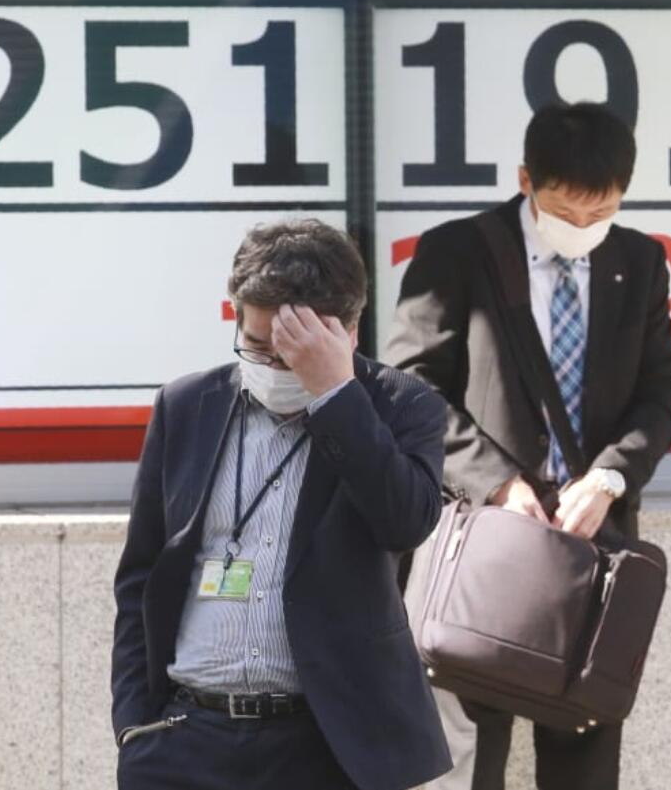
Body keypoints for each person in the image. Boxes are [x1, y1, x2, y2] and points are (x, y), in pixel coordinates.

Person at [386, 102, 671, 789]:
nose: (582, 228)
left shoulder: (640, 261)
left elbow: (658, 397)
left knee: (583, 746)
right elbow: (409, 385)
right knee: (464, 743)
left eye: (599, 211)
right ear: (526, 180)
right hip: (482, 537)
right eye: (564, 211)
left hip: (592, 543)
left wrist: (609, 478)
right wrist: (496, 481)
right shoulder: (458, 251)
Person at [112, 219, 453, 790]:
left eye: (293, 352)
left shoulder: (401, 405)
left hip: (325, 743)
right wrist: (132, 726)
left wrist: (335, 395)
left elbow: (405, 521)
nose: (273, 368)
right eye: (257, 346)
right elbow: (141, 575)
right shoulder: (186, 404)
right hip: (183, 737)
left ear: (348, 330)